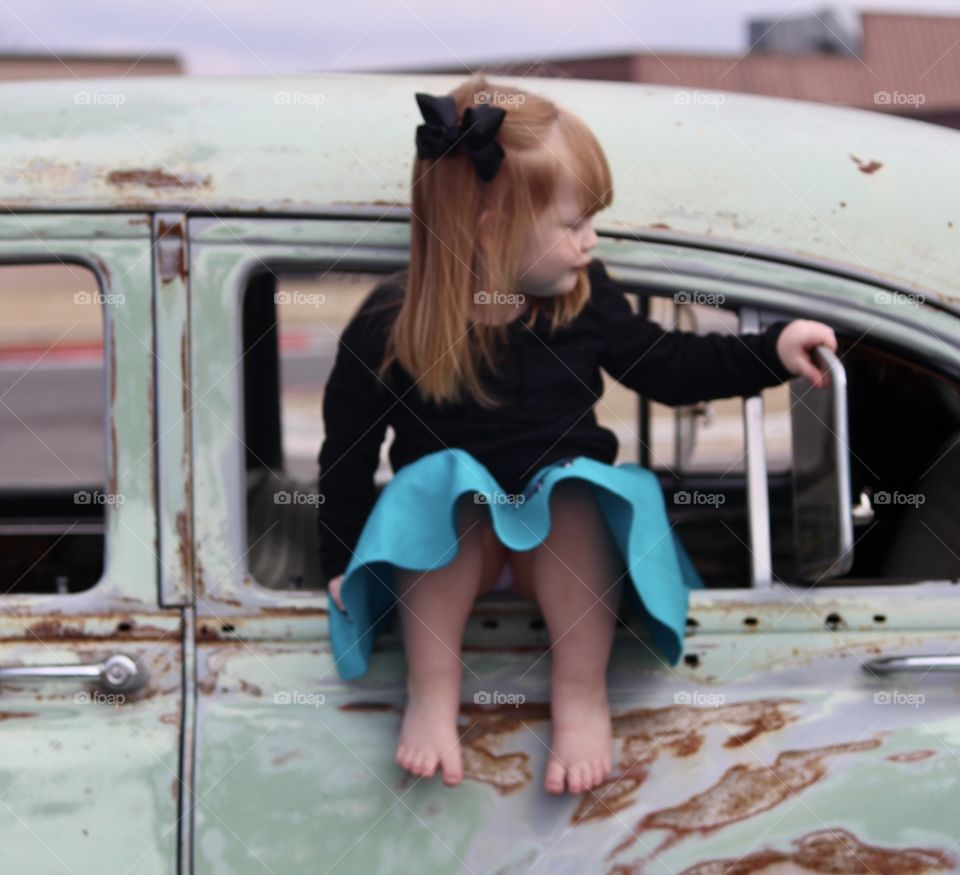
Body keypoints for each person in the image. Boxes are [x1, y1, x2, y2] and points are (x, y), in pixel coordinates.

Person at [317, 75, 836, 796]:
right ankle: (432, 693)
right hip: (444, 560)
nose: (589, 239)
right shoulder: (393, 323)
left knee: (575, 488)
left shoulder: (585, 304)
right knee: (445, 483)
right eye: (572, 223)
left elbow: (669, 365)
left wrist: (768, 350)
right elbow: (347, 449)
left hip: (562, 565)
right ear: (491, 229)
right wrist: (340, 557)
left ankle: (581, 691)